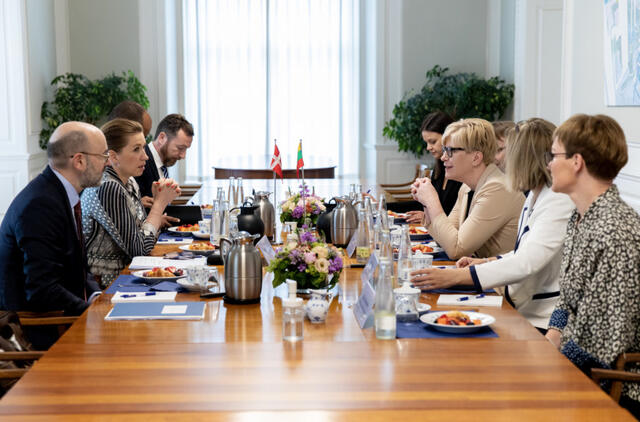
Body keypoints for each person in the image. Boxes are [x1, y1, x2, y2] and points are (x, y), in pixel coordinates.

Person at [410, 118, 574, 332]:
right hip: (519, 303)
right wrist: (487, 261)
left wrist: (455, 276)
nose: (500, 161)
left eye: (505, 153)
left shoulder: (556, 199)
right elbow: (522, 252)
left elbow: (526, 262)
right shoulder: (537, 194)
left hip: (538, 317)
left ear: (523, 159)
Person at [543, 114, 640, 417]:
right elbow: (568, 299)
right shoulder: (580, 217)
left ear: (576, 162)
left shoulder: (614, 231)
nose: (549, 164)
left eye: (554, 155)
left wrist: (545, 365)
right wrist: (550, 337)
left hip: (613, 386)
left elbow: (605, 342)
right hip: (579, 366)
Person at [0, 122, 106, 346]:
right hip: (39, 333)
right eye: (103, 155)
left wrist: (96, 298)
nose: (107, 162)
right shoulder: (40, 204)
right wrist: (92, 313)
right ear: (79, 161)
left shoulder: (58, 193)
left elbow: (77, 268)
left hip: (65, 319)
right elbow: (42, 289)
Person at [81, 119, 181, 288]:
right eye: (136, 149)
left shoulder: (129, 181)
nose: (145, 156)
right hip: (109, 285)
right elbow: (140, 250)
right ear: (113, 156)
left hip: (131, 275)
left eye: (143, 147)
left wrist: (157, 201)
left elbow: (143, 235)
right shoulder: (109, 187)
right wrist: (159, 205)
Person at [411, 118, 525, 260]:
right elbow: (445, 239)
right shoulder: (466, 187)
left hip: (501, 273)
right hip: (479, 269)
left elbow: (456, 249)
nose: (443, 158)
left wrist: (432, 200)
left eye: (450, 151)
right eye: (444, 150)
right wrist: (426, 204)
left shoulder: (497, 188)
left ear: (476, 158)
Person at [406, 112, 462, 223]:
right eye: (426, 142)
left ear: (448, 138)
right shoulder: (439, 168)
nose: (428, 147)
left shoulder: (462, 172)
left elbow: (458, 217)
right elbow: (424, 207)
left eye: (432, 142)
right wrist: (384, 206)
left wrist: (428, 216)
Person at [134, 114, 194, 209]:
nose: (183, 156)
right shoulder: (140, 162)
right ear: (162, 138)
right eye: (180, 148)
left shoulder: (163, 162)